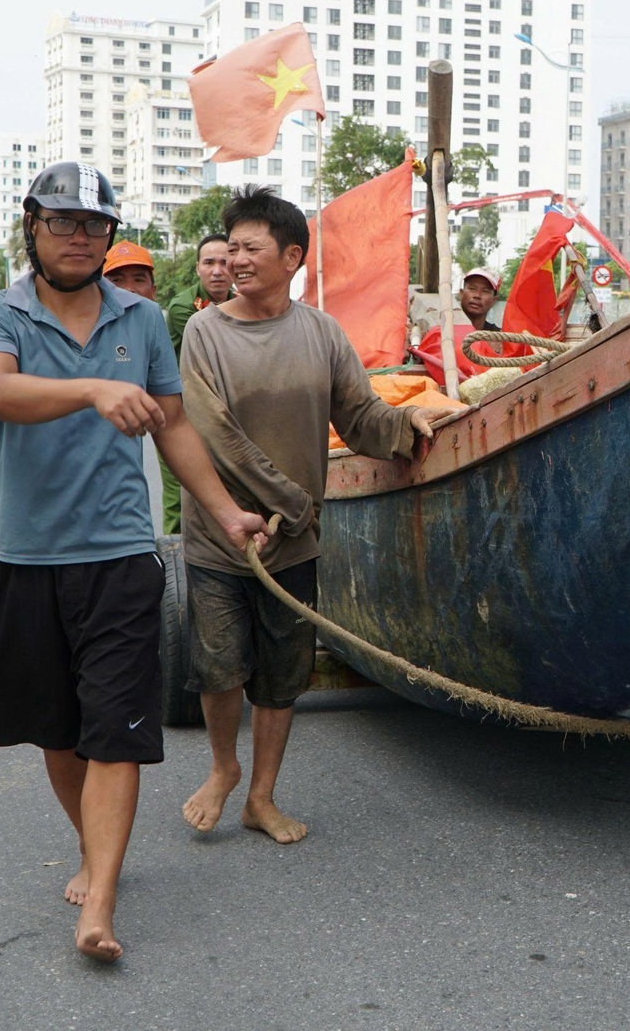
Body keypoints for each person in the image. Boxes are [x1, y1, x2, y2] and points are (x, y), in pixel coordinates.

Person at [0, 162, 272, 964]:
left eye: (93, 225)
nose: (78, 237)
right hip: (28, 561)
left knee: (115, 733)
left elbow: (171, 426)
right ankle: (93, 848)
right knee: (57, 735)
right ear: (31, 225)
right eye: (62, 222)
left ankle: (100, 900)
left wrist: (226, 510)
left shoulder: (141, 318)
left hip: (122, 558)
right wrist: (95, 389)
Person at [176, 186, 447, 844]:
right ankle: (223, 768)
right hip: (220, 540)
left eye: (250, 247)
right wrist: (294, 503)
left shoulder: (322, 333)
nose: (234, 259)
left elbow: (360, 417)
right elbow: (213, 436)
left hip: (293, 548)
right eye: (230, 247)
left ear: (291, 255)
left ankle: (261, 799)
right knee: (219, 667)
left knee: (283, 673)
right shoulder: (204, 332)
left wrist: (410, 422)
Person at [159, 232, 234, 534]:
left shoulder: (237, 301)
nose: (217, 270)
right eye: (209, 263)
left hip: (218, 410)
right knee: (178, 491)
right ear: (198, 268)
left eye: (224, 262)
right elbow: (222, 349)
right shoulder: (183, 307)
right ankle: (174, 564)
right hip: (179, 413)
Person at [415, 267, 505, 383]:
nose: (477, 295)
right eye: (472, 289)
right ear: (461, 294)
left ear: (494, 300)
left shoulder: (499, 337)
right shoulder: (441, 329)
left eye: (485, 291)